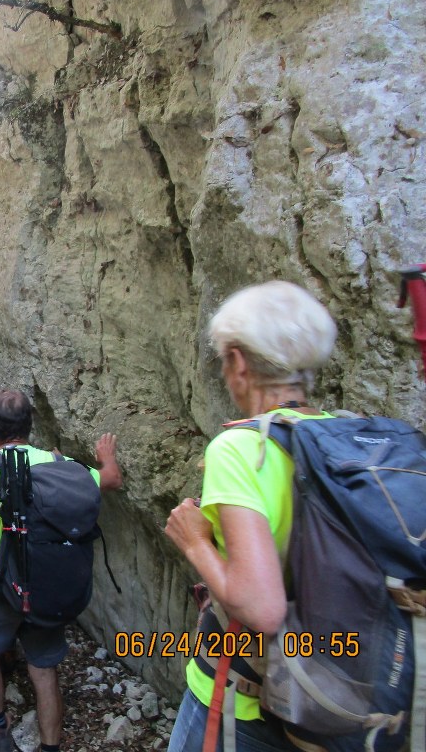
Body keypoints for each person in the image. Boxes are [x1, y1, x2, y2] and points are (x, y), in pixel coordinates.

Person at [163, 280, 337, 752]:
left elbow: (259, 607)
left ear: (239, 361)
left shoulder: (242, 448)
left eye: (224, 360)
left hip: (246, 699)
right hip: (333, 685)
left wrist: (194, 540)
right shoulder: (338, 437)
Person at [0, 389, 123, 752]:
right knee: (44, 668)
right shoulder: (58, 465)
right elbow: (111, 480)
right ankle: (50, 746)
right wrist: (107, 457)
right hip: (44, 583)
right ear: (29, 426)